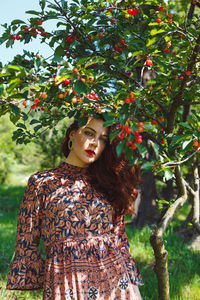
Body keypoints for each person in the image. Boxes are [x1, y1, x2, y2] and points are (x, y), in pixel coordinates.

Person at [7, 114, 144, 299]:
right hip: (66, 284)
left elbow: (119, 238)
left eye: (103, 139)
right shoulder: (42, 182)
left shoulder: (108, 183)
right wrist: (40, 279)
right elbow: (26, 240)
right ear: (72, 134)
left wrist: (133, 286)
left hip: (115, 283)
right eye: (89, 133)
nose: (95, 143)